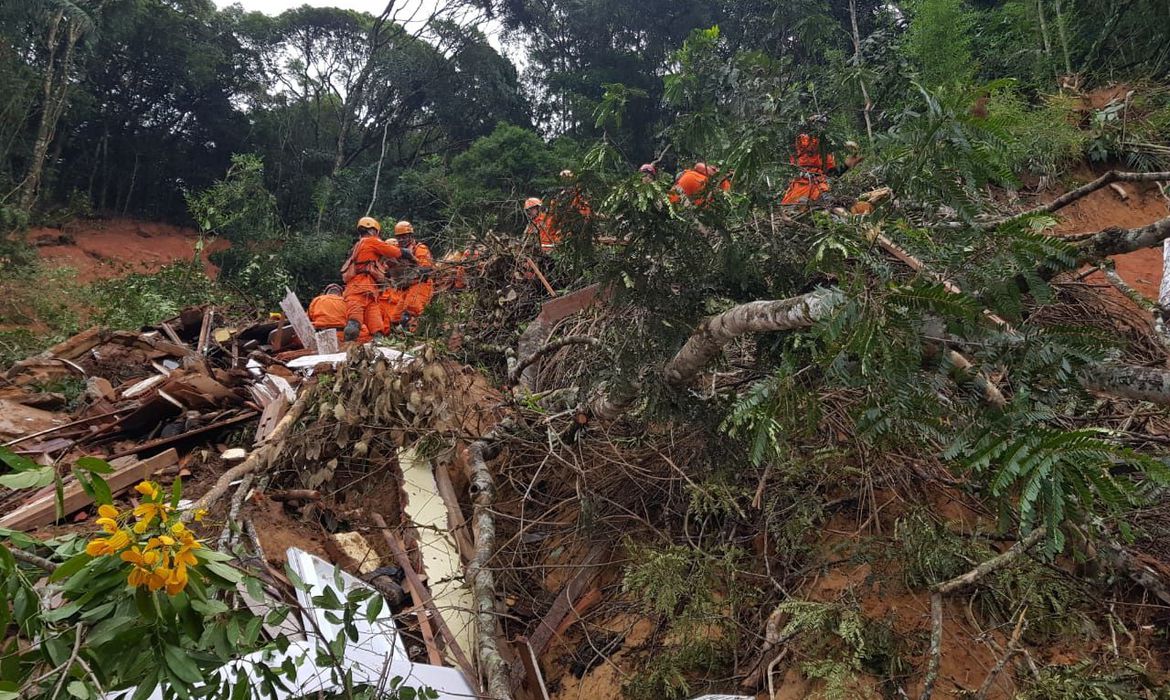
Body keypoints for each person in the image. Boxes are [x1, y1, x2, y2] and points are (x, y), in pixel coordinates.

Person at [340, 216, 414, 341]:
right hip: (359, 289)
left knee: (377, 331)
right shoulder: (371, 241)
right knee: (354, 326)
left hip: (369, 292)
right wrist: (408, 254)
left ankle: (379, 355)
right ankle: (345, 356)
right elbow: (393, 252)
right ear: (374, 230)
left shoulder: (358, 245)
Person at [780, 119, 862, 206]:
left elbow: (831, 174)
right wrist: (841, 144)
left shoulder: (825, 152)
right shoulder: (802, 142)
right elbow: (808, 143)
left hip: (819, 186)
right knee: (791, 208)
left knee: (831, 205)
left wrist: (846, 165)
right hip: (800, 185)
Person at [393, 220, 434, 331]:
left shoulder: (420, 249)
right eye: (399, 237)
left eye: (404, 237)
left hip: (421, 285)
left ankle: (412, 339)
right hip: (407, 288)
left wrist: (410, 275)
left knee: (410, 314)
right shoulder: (398, 252)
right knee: (395, 319)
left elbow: (427, 269)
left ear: (410, 236)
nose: (401, 240)